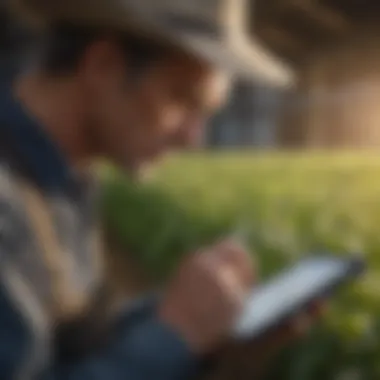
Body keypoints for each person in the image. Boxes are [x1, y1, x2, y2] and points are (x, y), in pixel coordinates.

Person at [0, 0, 319, 379]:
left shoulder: (70, 181)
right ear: (104, 66)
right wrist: (174, 335)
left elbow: (68, 344)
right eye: (183, 99)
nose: (193, 138)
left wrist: (203, 324)